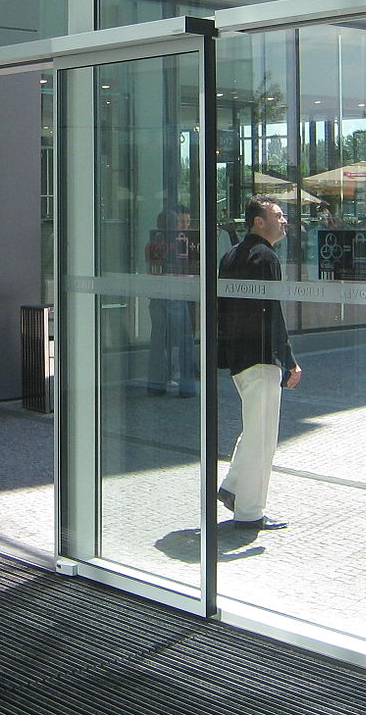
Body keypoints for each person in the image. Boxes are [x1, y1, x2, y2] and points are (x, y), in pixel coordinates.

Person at [215, 195, 302, 530]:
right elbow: (271, 312)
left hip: (240, 357)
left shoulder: (231, 255)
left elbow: (223, 309)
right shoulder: (264, 257)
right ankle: (250, 511)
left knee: (255, 428)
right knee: (262, 436)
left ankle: (234, 488)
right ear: (258, 221)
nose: (285, 221)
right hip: (260, 356)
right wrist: (289, 358)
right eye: (278, 215)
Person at [147, 203, 198, 398]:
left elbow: (153, 270)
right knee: (185, 340)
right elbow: (183, 272)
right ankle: (187, 385)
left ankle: (156, 383)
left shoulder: (153, 244)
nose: (181, 225)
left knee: (158, 340)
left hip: (157, 297)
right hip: (176, 295)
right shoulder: (180, 243)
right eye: (178, 222)